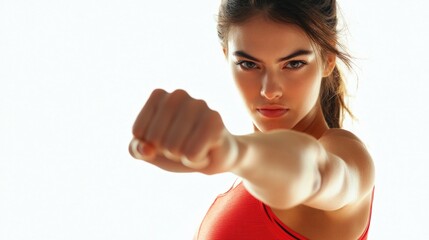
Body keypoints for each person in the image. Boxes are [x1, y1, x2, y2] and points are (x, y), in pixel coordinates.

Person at [129, 0, 375, 239]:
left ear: (328, 58)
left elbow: (317, 174)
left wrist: (236, 153)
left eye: (294, 64)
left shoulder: (349, 157)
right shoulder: (241, 182)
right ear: (226, 56)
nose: (269, 90)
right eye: (248, 64)